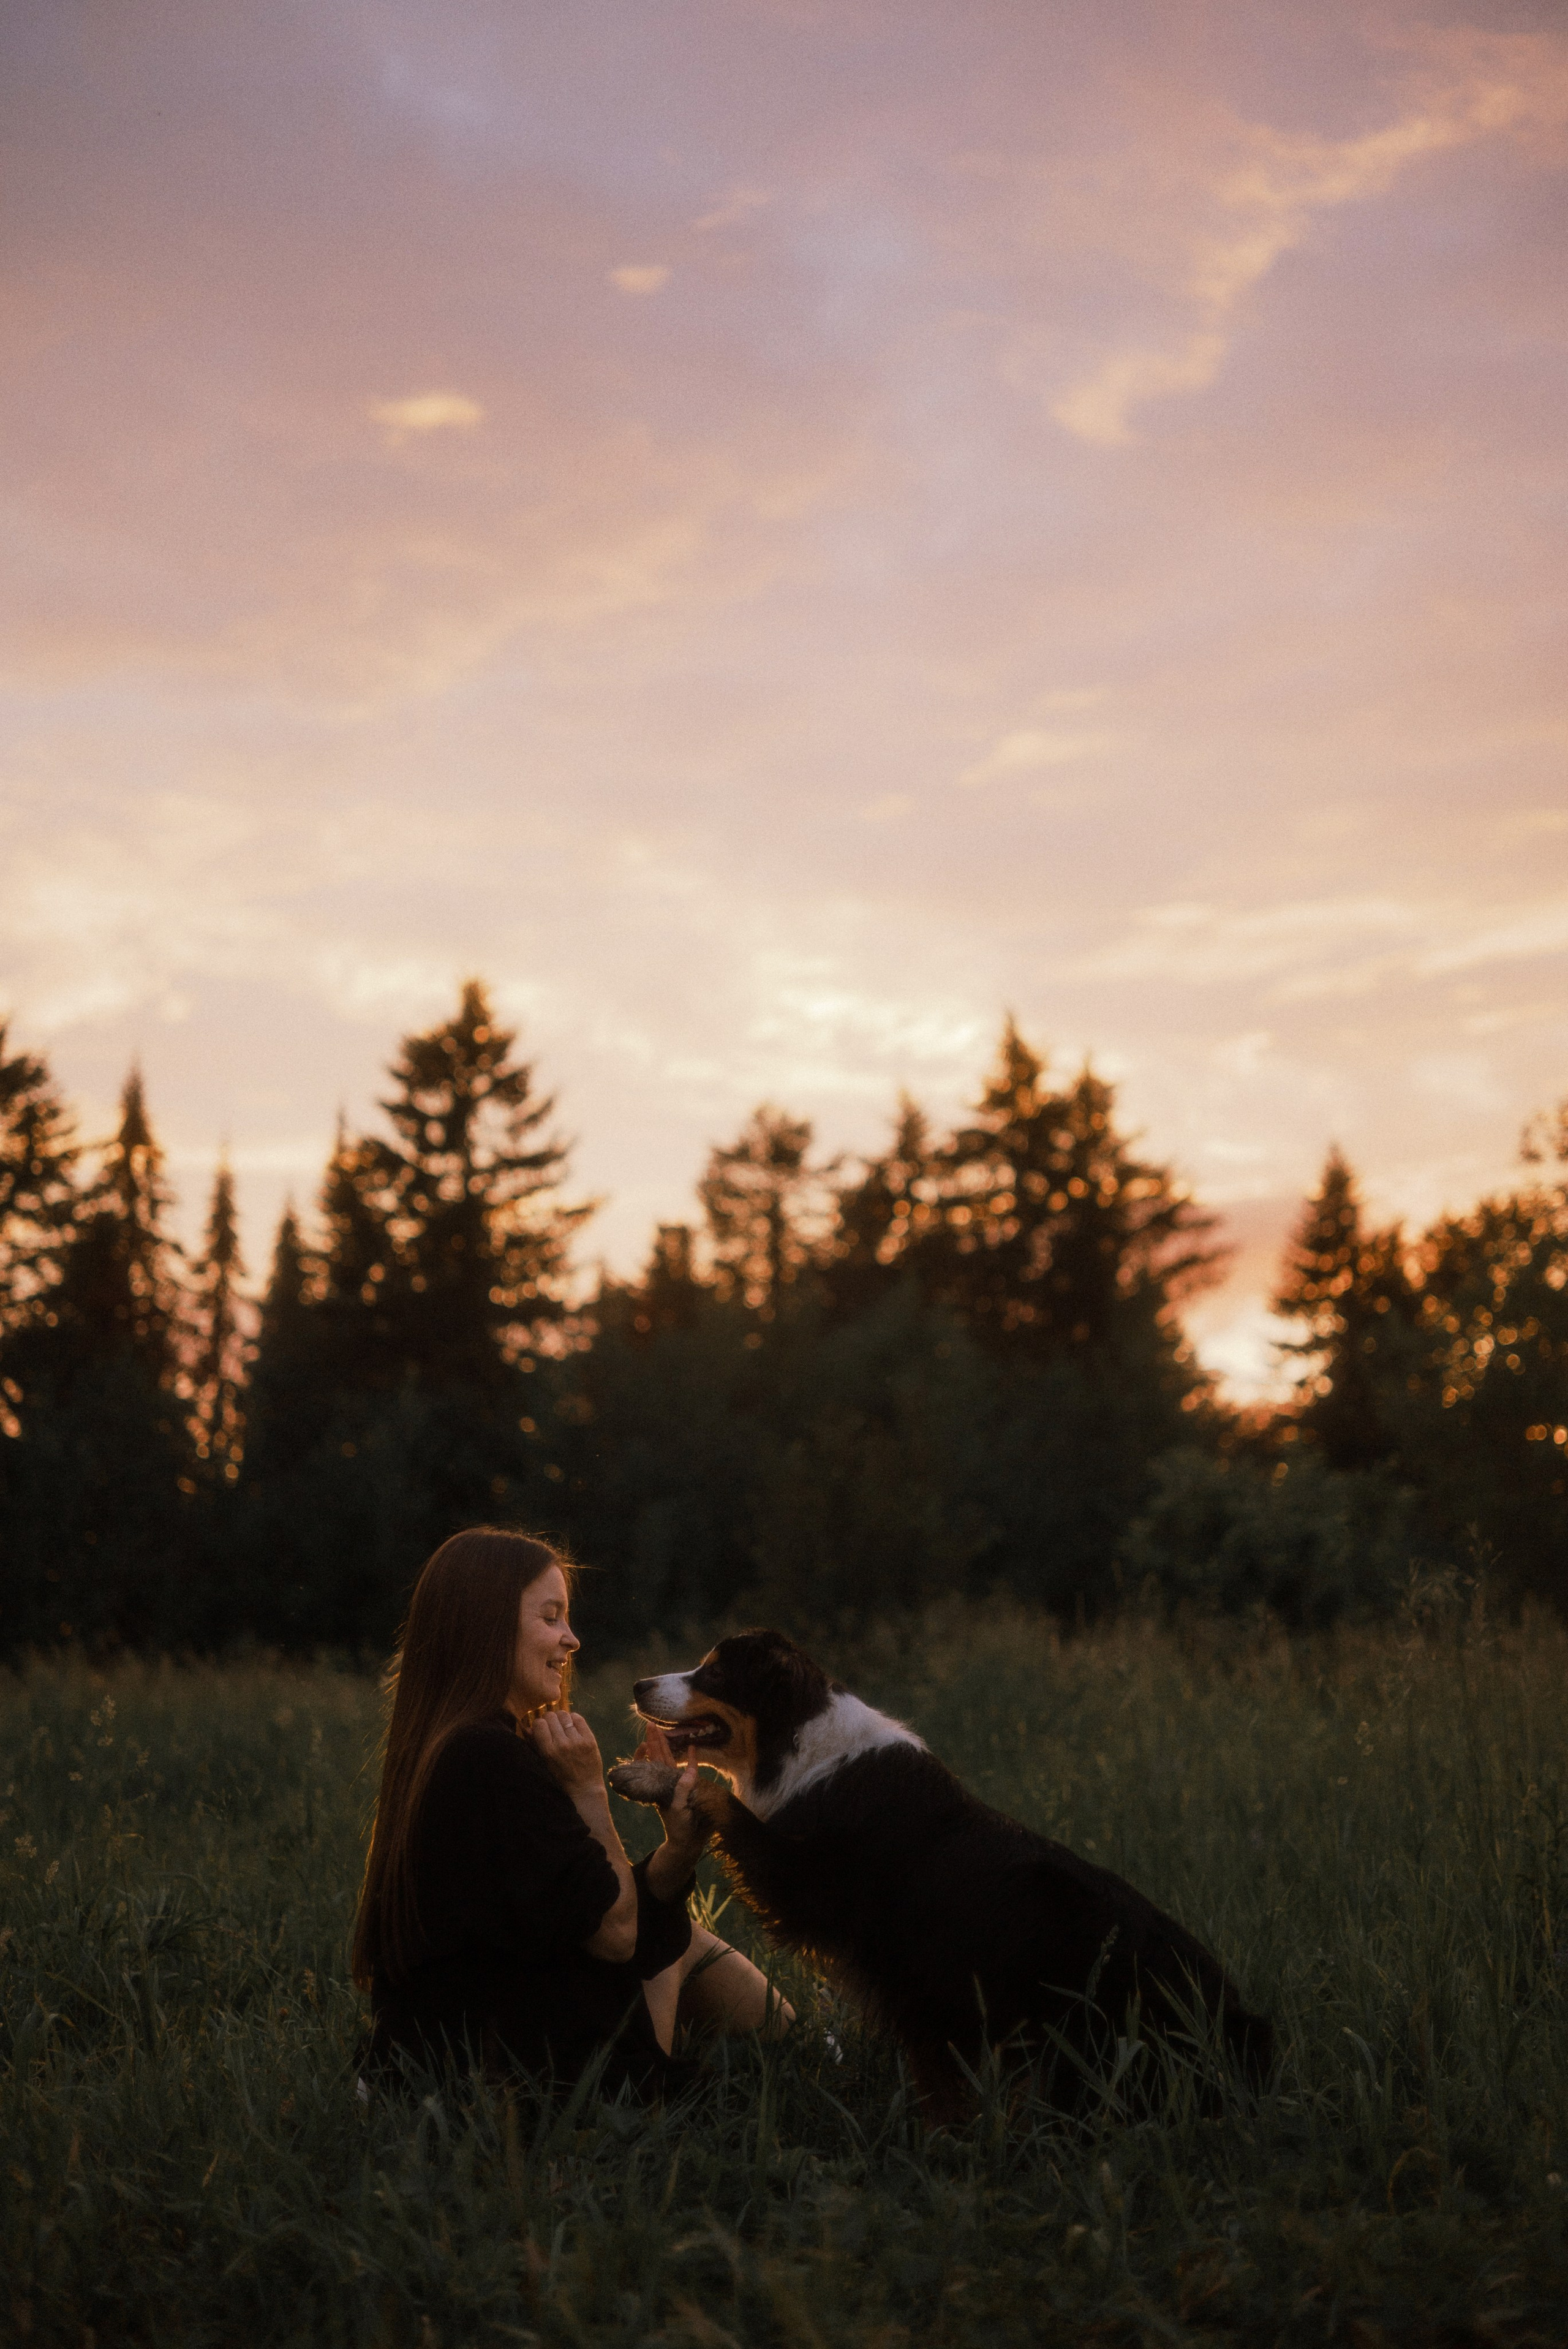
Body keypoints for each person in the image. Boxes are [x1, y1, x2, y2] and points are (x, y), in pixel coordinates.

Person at [352, 1527, 788, 2095]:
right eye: (551, 1617)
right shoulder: (484, 1756)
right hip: (515, 2077)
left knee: (681, 1938)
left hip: (481, 2050)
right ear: (487, 1623)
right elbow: (615, 1933)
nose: (572, 1639)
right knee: (685, 1972)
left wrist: (679, 1848)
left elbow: (576, 1916)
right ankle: (815, 2053)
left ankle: (809, 2049)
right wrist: (587, 1791)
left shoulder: (464, 1745)